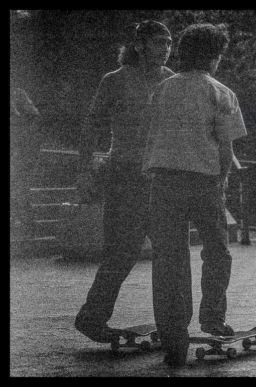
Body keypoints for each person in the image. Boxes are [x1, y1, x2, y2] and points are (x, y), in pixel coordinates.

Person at [143, 23, 245, 367]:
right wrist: (223, 180)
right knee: (217, 252)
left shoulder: (162, 89)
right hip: (204, 183)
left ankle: (174, 336)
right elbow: (225, 148)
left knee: (169, 258)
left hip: (164, 181)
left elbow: (153, 134)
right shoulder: (221, 92)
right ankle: (212, 319)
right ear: (214, 57)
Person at [72, 20, 175, 345]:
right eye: (159, 42)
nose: (166, 48)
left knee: (169, 251)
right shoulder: (115, 81)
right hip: (124, 175)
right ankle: (91, 317)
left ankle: (173, 321)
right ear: (140, 45)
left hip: (159, 176)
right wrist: (84, 169)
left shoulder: (171, 80)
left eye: (169, 43)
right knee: (122, 251)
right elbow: (92, 125)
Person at [9, 85, 41, 231]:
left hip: (19, 149)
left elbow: (33, 116)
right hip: (18, 148)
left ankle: (27, 223)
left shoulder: (17, 93)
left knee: (20, 187)